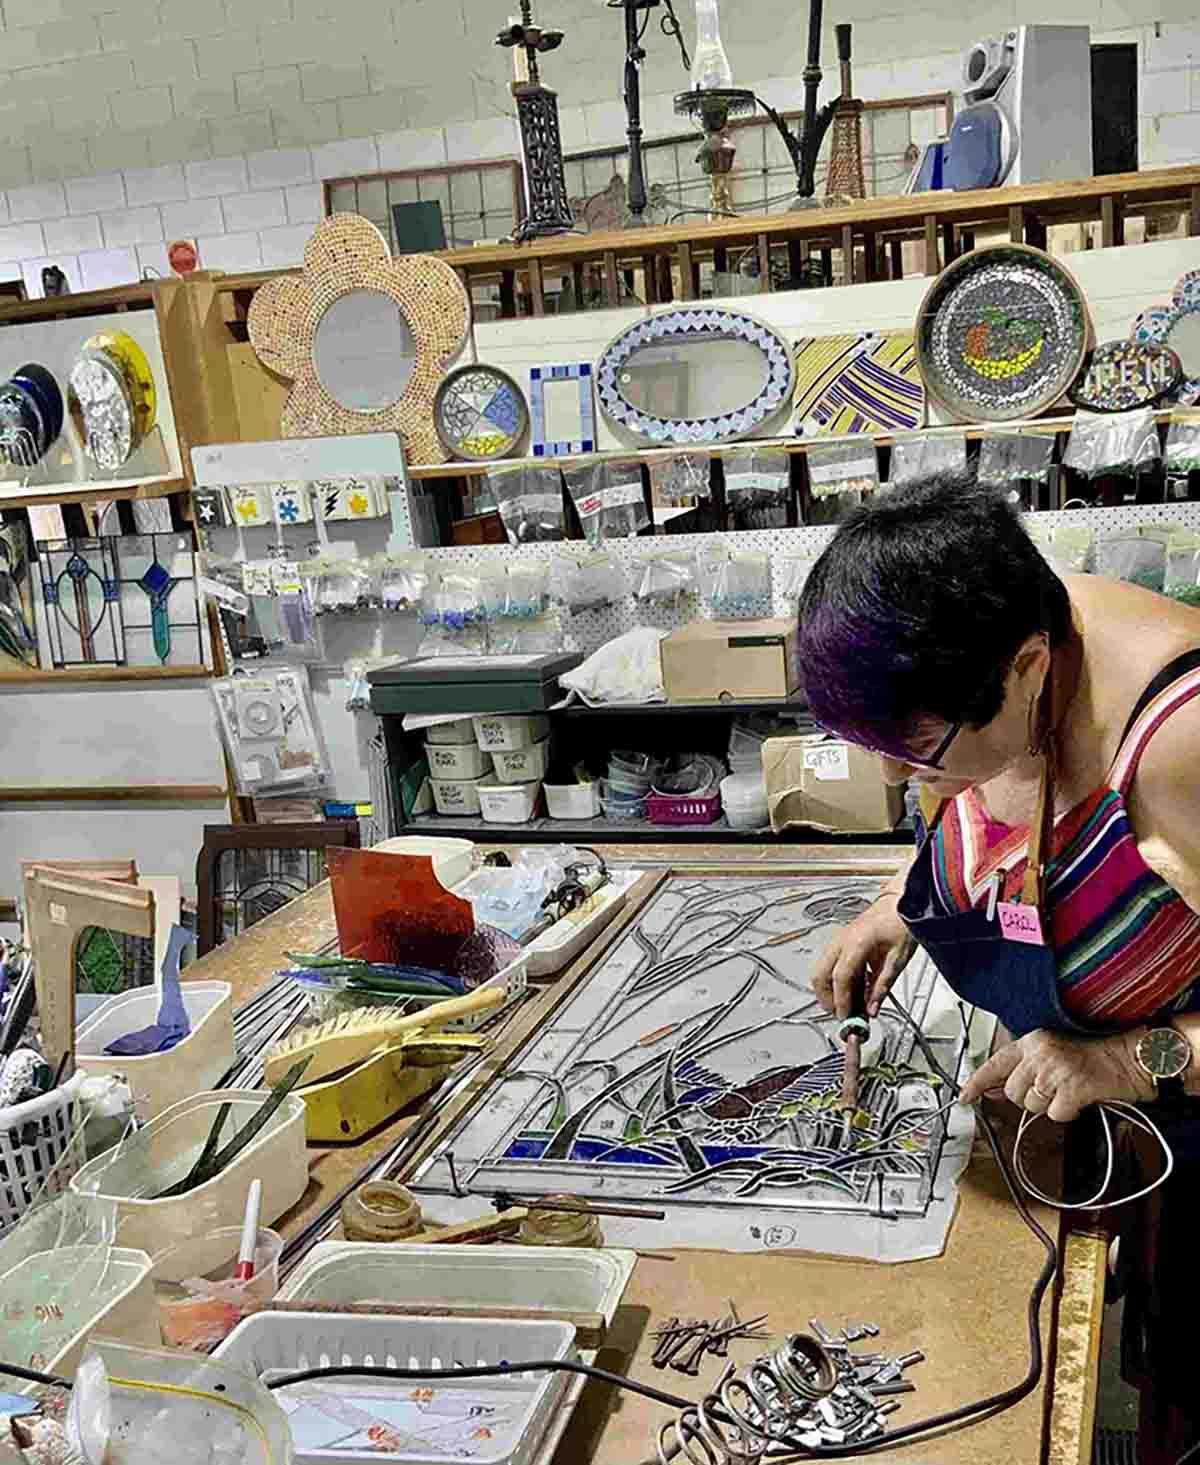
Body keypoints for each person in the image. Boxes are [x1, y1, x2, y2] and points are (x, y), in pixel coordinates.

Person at [797, 477, 1200, 1121]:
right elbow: (983, 802)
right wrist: (897, 902)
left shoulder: (1181, 743)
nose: (893, 778)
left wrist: (1126, 1061)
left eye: (918, 750)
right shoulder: (994, 622)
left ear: (1029, 668)